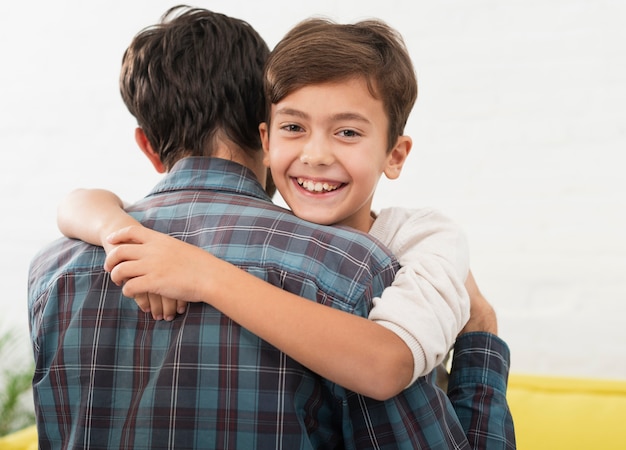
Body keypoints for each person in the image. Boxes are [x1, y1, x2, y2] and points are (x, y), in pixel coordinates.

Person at [30, 6, 515, 449]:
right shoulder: (347, 268)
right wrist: (118, 229)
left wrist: (198, 271)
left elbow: (386, 363)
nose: (317, 154)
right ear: (264, 134)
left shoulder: (52, 269)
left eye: (347, 131)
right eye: (295, 127)